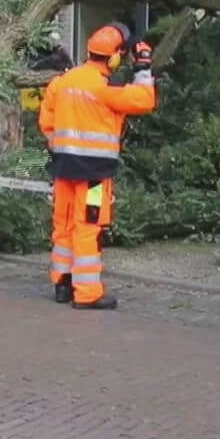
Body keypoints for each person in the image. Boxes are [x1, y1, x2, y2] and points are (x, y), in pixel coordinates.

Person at [38, 23, 157, 310]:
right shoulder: (107, 88)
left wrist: (60, 146)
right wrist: (143, 66)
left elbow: (47, 121)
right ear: (115, 56)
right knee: (88, 227)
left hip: (64, 168)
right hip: (94, 174)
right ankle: (88, 292)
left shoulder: (63, 82)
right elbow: (144, 100)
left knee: (63, 225)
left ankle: (63, 284)